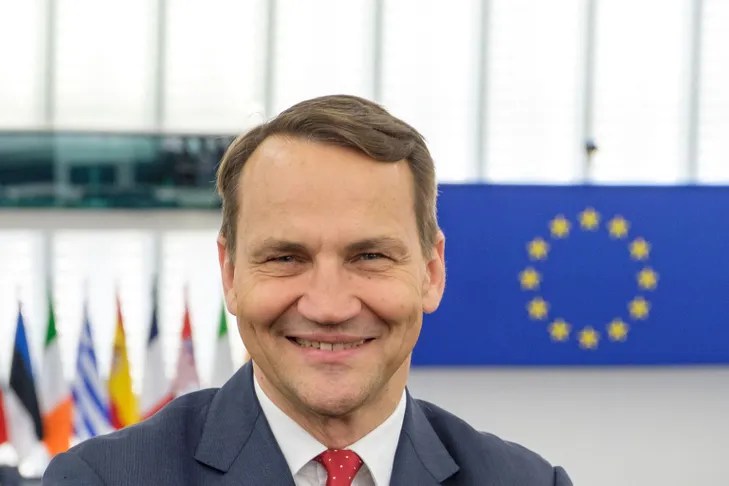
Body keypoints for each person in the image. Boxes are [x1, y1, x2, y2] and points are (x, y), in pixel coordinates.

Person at [43, 95, 572, 485]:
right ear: (230, 274)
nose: (329, 306)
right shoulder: (101, 479)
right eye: (285, 258)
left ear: (431, 272)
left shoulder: (527, 481)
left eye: (369, 256)